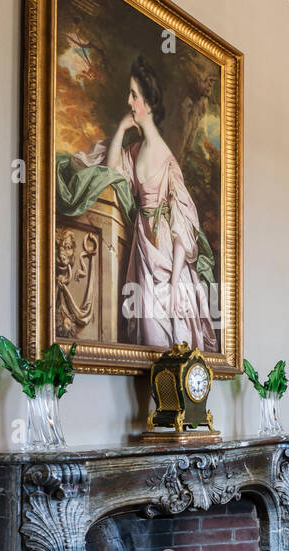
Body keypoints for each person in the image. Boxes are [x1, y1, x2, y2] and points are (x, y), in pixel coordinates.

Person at [101, 56, 217, 351]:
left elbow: (183, 227)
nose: (129, 101)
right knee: (148, 333)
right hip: (144, 243)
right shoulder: (136, 148)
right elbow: (111, 170)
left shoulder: (167, 161)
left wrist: (176, 283)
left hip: (164, 249)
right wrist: (120, 129)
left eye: (134, 95)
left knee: (164, 335)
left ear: (149, 104)